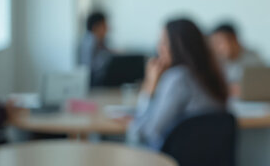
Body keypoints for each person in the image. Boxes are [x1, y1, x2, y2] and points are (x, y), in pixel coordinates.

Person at [128, 18, 228, 149]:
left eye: (163, 42)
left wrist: (149, 87)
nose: (159, 48)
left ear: (177, 46)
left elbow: (144, 133)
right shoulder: (212, 74)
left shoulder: (178, 78)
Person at [79, 11, 113, 85]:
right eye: (104, 25)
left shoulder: (99, 40)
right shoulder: (89, 41)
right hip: (91, 82)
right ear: (95, 27)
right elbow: (89, 67)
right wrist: (108, 55)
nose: (107, 28)